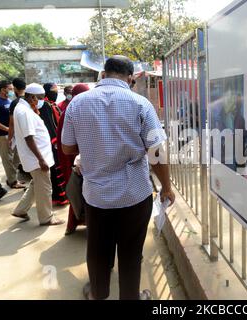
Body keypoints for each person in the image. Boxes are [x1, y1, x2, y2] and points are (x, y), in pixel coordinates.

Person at [62, 55, 175, 300]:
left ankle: (97, 294)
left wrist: (94, 146)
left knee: (98, 250)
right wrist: (166, 187)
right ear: (131, 79)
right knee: (131, 253)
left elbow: (68, 148)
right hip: (134, 195)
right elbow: (156, 151)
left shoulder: (77, 103)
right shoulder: (141, 104)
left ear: (103, 75)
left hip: (97, 197)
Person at [11, 83, 64, 226]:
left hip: (37, 158)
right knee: (45, 188)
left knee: (36, 185)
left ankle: (20, 210)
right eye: (40, 98)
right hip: (37, 159)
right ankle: (46, 217)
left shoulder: (25, 109)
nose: (42, 101)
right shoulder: (24, 112)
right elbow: (29, 138)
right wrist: (41, 159)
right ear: (32, 97)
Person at [56, 83, 90, 235]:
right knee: (77, 189)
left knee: (82, 191)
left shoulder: (79, 109)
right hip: (72, 158)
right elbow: (67, 143)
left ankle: (75, 223)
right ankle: (78, 223)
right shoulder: (70, 111)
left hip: (78, 156)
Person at [0, 80, 24, 189]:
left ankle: (12, 178)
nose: (12, 90)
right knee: (7, 160)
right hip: (1, 136)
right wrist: (7, 129)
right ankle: (13, 182)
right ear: (3, 90)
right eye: (10, 89)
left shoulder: (9, 100)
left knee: (16, 158)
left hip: (12, 135)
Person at [41, 83, 68, 206]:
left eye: (57, 90)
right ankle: (60, 197)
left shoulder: (52, 104)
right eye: (53, 90)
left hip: (58, 140)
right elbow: (50, 125)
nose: (56, 93)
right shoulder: (45, 105)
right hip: (53, 143)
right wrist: (55, 141)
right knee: (57, 169)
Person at [8, 78, 31, 182]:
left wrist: (9, 138)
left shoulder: (15, 103)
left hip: (21, 137)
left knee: (22, 160)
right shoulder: (30, 99)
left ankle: (26, 182)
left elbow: (12, 123)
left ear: (15, 89)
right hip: (31, 134)